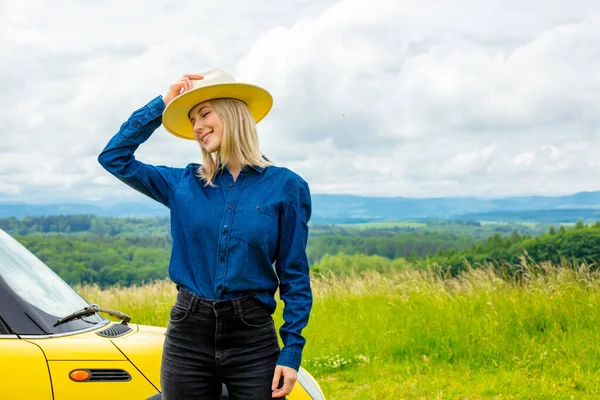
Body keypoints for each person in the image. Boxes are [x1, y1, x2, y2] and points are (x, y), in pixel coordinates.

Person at [98, 68, 313, 399]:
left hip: (253, 339)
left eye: (204, 113)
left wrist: (292, 350)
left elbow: (294, 275)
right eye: (192, 119)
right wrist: (161, 104)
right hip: (188, 335)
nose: (197, 126)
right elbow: (114, 158)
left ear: (232, 112)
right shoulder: (183, 183)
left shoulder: (287, 187)